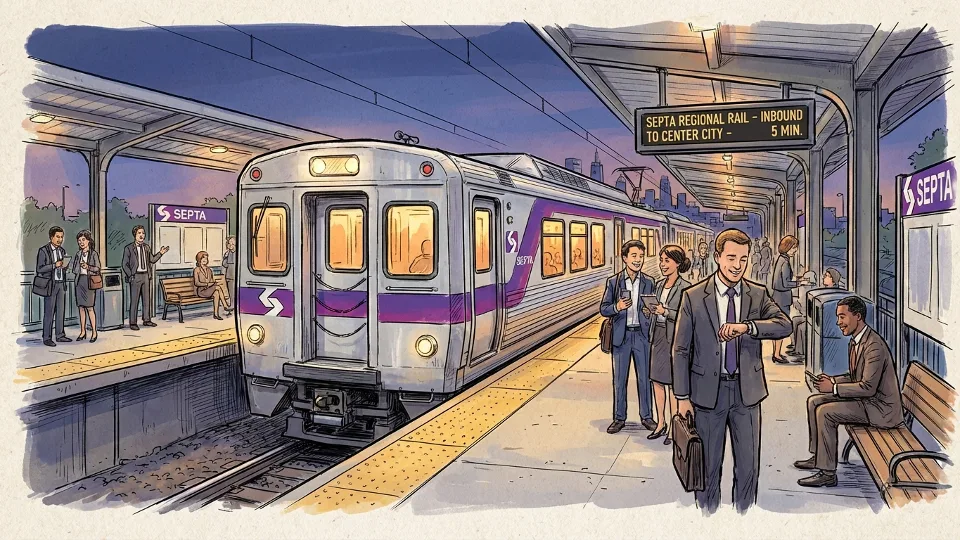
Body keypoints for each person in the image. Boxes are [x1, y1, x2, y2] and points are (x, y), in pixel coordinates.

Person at [672, 228, 791, 514]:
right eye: (731, 258)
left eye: (743, 259)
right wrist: (682, 396)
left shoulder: (758, 294)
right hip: (706, 395)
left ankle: (743, 519)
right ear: (717, 257)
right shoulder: (693, 296)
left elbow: (784, 325)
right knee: (707, 469)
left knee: (748, 468)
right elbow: (680, 350)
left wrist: (748, 328)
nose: (737, 266)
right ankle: (707, 519)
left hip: (746, 394)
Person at [795, 296, 904, 487]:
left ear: (858, 316)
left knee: (825, 412)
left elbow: (867, 388)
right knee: (814, 401)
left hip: (880, 410)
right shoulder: (857, 340)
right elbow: (855, 376)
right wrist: (833, 380)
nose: (838, 323)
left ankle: (827, 473)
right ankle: (819, 456)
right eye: (838, 318)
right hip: (868, 402)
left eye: (842, 317)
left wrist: (834, 388)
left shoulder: (874, 346)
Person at [599, 239, 657, 434]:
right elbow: (604, 309)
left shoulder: (649, 282)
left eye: (641, 256)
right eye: (634, 256)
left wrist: (650, 312)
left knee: (644, 378)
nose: (638, 260)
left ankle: (647, 417)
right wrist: (618, 307)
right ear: (624, 258)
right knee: (620, 379)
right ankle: (619, 418)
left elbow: (652, 308)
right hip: (621, 337)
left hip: (641, 336)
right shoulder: (614, 282)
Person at [647, 245, 691, 445]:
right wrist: (651, 311)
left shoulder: (686, 287)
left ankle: (674, 427)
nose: (662, 264)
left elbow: (686, 316)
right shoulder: (657, 284)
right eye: (661, 260)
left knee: (674, 384)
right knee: (657, 381)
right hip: (657, 336)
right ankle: (660, 422)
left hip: (674, 338)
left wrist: (665, 312)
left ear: (678, 263)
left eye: (667, 261)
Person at [121, 225, 169, 330]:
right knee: (134, 301)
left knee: (147, 300)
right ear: (135, 235)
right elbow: (124, 264)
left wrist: (160, 253)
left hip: (146, 276)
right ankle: (133, 322)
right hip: (135, 276)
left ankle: (146, 320)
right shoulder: (129, 248)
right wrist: (131, 275)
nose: (142, 235)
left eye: (143, 233)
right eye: (139, 233)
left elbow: (151, 260)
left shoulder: (146, 247)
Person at [785, 267, 838, 359]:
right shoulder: (822, 289)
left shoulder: (831, 293)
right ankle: (795, 346)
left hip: (820, 320)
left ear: (833, 280)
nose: (823, 277)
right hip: (813, 316)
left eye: (827, 276)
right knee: (795, 320)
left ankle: (801, 353)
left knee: (801, 327)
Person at [33, 226, 71, 347]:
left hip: (61, 284)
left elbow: (63, 268)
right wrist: (54, 265)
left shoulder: (62, 251)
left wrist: (64, 267)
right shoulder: (43, 251)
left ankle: (60, 335)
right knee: (49, 312)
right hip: (50, 284)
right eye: (57, 237)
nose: (60, 239)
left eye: (61, 237)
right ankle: (47, 337)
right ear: (51, 237)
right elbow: (40, 269)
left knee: (61, 311)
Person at [771, 235, 802, 363]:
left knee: (777, 326)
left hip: (778, 298)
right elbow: (782, 284)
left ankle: (776, 352)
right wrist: (799, 283)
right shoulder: (784, 262)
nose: (795, 250)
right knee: (781, 326)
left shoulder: (781, 260)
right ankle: (777, 355)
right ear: (788, 247)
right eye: (794, 248)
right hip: (782, 299)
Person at [70, 230, 102, 343]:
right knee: (81, 308)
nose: (81, 242)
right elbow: (74, 270)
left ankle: (94, 332)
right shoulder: (78, 254)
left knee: (90, 308)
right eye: (79, 241)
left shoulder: (93, 254)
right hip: (80, 282)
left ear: (88, 240)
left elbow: (98, 268)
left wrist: (88, 267)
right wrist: (79, 267)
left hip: (89, 282)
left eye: (83, 240)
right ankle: (83, 331)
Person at [194, 251, 228, 320]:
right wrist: (206, 284)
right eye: (203, 258)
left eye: (206, 259)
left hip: (209, 289)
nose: (205, 260)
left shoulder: (209, 270)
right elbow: (196, 283)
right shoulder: (196, 270)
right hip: (201, 291)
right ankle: (225, 305)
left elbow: (212, 281)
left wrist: (212, 283)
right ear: (199, 259)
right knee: (218, 287)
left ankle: (216, 314)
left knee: (216, 293)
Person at [222, 236, 237, 311]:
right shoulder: (228, 253)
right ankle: (232, 304)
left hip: (236, 275)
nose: (230, 245)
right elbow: (225, 264)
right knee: (231, 292)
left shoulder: (238, 253)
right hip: (229, 275)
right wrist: (225, 257)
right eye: (229, 243)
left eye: (232, 243)